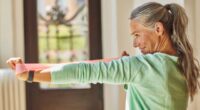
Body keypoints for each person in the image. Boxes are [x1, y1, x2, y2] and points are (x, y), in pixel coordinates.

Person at [6, 2, 200, 110]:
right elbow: (151, 90)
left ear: (158, 29)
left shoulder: (143, 66)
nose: (134, 43)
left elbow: (84, 71)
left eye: (137, 35)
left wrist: (30, 75)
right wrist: (128, 70)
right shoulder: (181, 64)